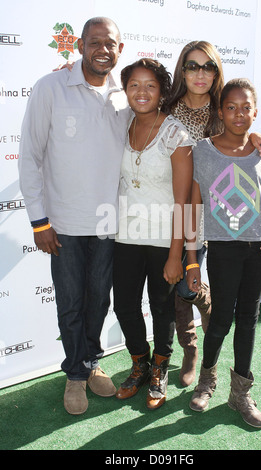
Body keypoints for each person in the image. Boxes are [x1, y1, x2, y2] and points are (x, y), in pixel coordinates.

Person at [18, 17, 131, 415]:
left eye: (111, 43)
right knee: (70, 302)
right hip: (62, 224)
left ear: (121, 48)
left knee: (99, 300)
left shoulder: (127, 95)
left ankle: (92, 362)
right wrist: (39, 222)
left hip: (109, 223)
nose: (103, 49)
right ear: (80, 45)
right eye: (95, 42)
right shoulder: (50, 88)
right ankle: (75, 376)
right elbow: (29, 157)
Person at [165, 41, 261, 387]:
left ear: (216, 72)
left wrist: (257, 136)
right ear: (182, 70)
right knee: (172, 290)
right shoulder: (166, 108)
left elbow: (239, 134)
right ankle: (189, 350)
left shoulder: (222, 109)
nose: (200, 73)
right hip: (165, 212)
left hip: (212, 221)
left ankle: (200, 344)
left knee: (187, 284)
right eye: (192, 66)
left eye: (208, 66)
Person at [186, 78, 261, 428]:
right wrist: (191, 258)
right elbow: (192, 207)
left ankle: (240, 392)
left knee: (249, 319)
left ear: (255, 112)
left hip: (258, 248)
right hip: (223, 250)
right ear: (219, 111)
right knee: (221, 320)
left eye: (246, 107)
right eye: (231, 107)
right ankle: (206, 381)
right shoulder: (202, 150)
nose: (238, 114)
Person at [113, 58, 194, 409]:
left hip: (164, 239)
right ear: (125, 90)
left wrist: (177, 254)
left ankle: (160, 366)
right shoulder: (121, 124)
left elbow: (184, 200)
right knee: (124, 306)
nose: (141, 92)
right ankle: (139, 362)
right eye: (134, 85)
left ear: (161, 91)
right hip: (125, 235)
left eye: (150, 85)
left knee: (161, 307)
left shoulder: (176, 133)